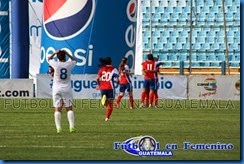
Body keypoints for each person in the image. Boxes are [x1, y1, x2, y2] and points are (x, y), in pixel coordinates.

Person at [47, 49, 76, 133]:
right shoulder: (69, 64)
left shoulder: (55, 64)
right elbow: (74, 60)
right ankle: (71, 127)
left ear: (57, 57)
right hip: (67, 89)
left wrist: (55, 53)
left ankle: (58, 128)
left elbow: (49, 58)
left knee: (57, 108)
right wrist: (67, 53)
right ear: (65, 57)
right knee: (69, 108)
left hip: (56, 89)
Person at [96, 57, 119, 121]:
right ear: (111, 62)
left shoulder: (101, 69)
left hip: (102, 87)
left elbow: (97, 78)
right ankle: (107, 118)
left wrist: (98, 85)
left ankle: (104, 100)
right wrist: (118, 82)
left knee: (106, 103)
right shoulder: (113, 69)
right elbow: (117, 79)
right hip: (110, 87)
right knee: (110, 104)